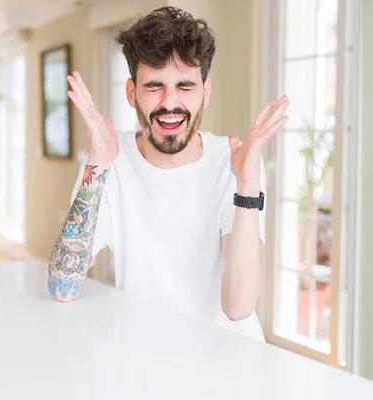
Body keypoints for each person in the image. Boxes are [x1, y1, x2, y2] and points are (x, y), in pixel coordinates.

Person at [47, 6, 289, 341]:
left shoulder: (233, 163)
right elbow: (63, 287)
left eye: (185, 86)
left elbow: (238, 308)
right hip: (146, 360)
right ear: (132, 94)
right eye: (155, 86)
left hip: (231, 364)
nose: (170, 102)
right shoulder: (109, 162)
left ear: (206, 90)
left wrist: (247, 184)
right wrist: (98, 165)